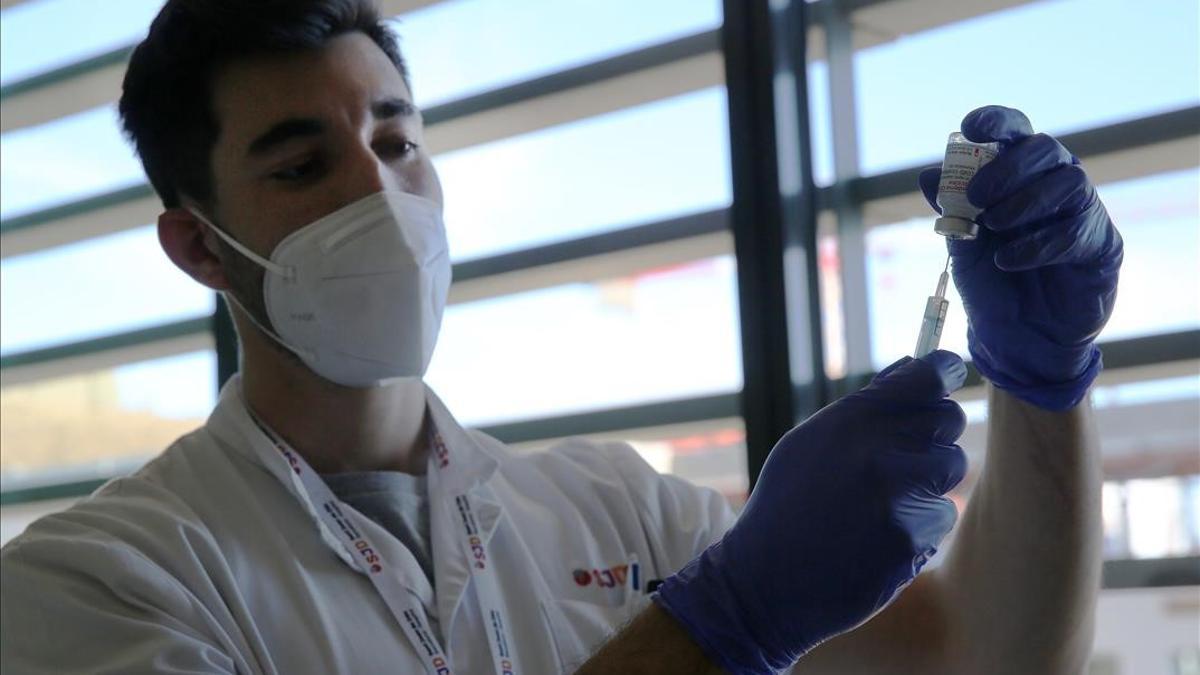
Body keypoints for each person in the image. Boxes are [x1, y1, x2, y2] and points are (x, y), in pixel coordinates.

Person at [0, 1, 1123, 673]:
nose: (379, 199)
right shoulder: (103, 582)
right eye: (302, 166)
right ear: (199, 250)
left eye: (395, 143)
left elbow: (985, 660)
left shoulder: (614, 507)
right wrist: (716, 632)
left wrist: (1045, 383)